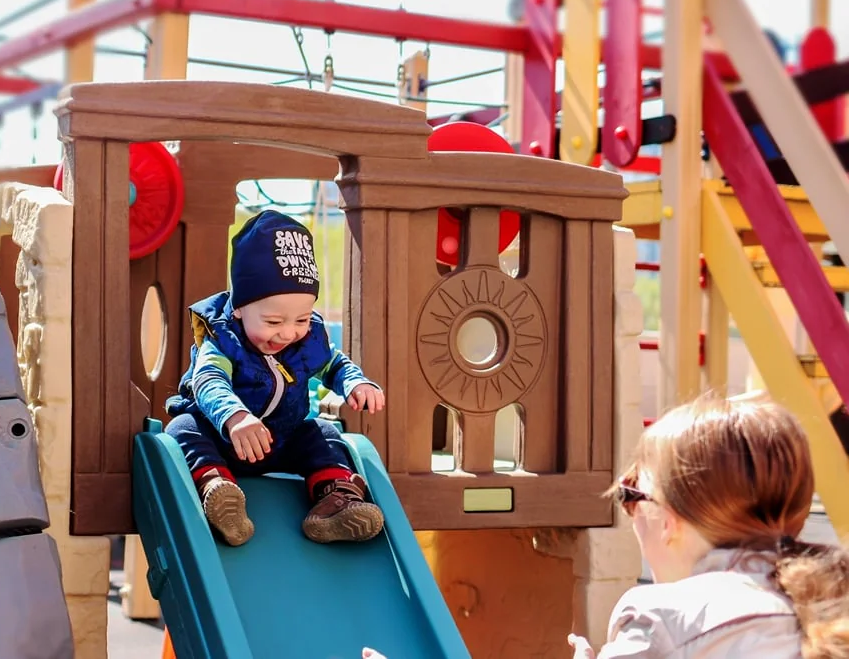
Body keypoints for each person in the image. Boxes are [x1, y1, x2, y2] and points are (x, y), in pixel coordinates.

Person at [365, 393, 849, 659]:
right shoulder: (828, 598)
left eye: (631, 496)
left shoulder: (662, 616)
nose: (630, 516)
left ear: (669, 519)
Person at [165, 209, 387, 547]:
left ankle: (336, 502)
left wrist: (355, 382)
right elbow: (209, 381)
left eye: (301, 319)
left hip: (279, 441)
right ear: (239, 308)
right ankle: (217, 491)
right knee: (182, 429)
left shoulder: (307, 340)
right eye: (273, 322)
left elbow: (333, 364)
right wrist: (235, 417)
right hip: (224, 440)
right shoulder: (224, 340)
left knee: (324, 433)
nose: (288, 332)